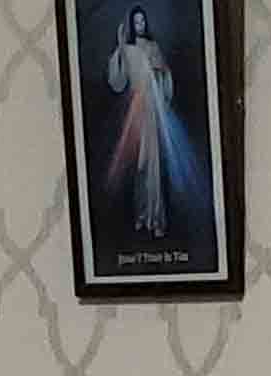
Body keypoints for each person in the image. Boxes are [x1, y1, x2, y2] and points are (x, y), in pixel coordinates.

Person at [104, 8, 180, 240]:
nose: (140, 25)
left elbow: (165, 80)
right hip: (134, 110)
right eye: (136, 21)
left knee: (153, 166)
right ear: (131, 24)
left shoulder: (153, 47)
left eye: (142, 21)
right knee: (139, 165)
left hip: (152, 110)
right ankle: (141, 214)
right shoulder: (127, 49)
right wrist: (119, 47)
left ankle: (156, 219)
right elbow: (118, 81)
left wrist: (161, 71)